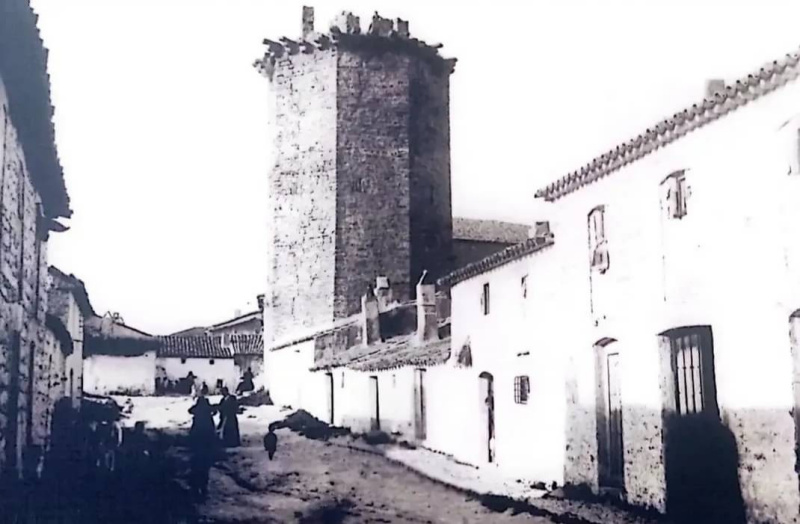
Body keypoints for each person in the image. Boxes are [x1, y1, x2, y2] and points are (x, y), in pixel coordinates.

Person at [188, 393, 216, 498]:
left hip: (197, 446)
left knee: (196, 467)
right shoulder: (208, 417)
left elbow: (190, 410)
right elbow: (212, 432)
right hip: (206, 446)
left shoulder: (198, 414)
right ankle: (203, 488)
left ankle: (195, 488)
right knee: (205, 469)